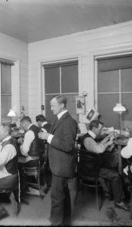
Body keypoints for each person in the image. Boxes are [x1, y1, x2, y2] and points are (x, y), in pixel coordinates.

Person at [38, 95, 77, 226]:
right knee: (62, 195)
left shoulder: (69, 121)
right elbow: (60, 136)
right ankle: (65, 221)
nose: (50, 108)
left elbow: (68, 145)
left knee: (56, 197)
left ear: (62, 105)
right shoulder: (59, 119)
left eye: (53, 105)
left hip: (62, 165)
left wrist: (49, 137)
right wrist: (48, 135)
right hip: (58, 164)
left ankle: (56, 222)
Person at [79, 120, 131, 212]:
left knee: (112, 167)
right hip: (91, 169)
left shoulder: (89, 137)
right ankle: (119, 201)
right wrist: (109, 143)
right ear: (94, 128)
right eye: (100, 129)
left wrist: (108, 137)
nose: (102, 131)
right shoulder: (88, 139)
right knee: (116, 175)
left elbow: (97, 145)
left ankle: (110, 193)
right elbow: (99, 149)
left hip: (90, 166)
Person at [36, 114, 53, 192]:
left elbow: (40, 140)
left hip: (47, 150)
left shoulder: (43, 129)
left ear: (39, 121)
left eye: (37, 123)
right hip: (53, 149)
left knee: (46, 167)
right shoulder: (52, 125)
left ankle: (47, 185)